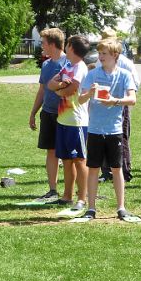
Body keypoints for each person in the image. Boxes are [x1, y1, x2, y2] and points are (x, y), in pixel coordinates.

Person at [77, 38, 138, 221]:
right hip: (95, 129)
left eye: (104, 53)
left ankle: (121, 208)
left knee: (117, 169)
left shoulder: (124, 75)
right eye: (100, 53)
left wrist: (115, 101)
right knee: (93, 169)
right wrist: (89, 93)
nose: (100, 57)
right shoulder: (93, 74)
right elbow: (80, 99)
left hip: (115, 130)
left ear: (115, 55)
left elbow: (132, 99)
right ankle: (91, 208)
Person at [48, 34, 89, 211]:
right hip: (63, 119)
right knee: (66, 159)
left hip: (77, 122)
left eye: (68, 44)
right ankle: (67, 196)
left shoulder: (80, 67)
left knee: (79, 160)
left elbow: (70, 90)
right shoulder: (67, 65)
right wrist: (59, 87)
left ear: (71, 47)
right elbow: (50, 84)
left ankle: (82, 198)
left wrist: (59, 89)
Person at [29, 27, 67, 201]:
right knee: (51, 152)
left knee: (68, 155)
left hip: (66, 115)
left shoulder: (69, 63)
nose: (41, 46)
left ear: (52, 44)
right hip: (48, 113)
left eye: (43, 43)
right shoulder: (46, 65)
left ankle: (75, 191)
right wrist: (33, 113)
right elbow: (42, 90)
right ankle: (53, 190)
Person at [99, 29, 139, 183]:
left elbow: (135, 85)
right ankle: (106, 171)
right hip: (102, 106)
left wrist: (120, 98)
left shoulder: (126, 63)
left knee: (121, 137)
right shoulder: (100, 60)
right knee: (102, 136)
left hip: (121, 106)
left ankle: (124, 171)